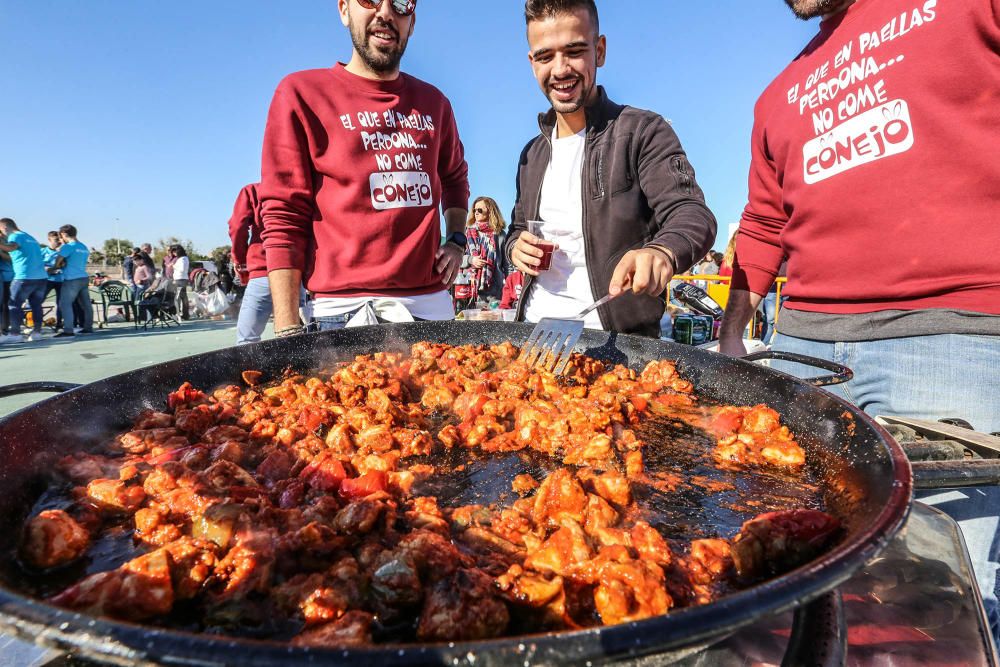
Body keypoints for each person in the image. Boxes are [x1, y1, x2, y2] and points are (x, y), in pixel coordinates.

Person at [717, 0, 1000, 636]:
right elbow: (764, 223)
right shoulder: (779, 92)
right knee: (795, 597)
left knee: (939, 608)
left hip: (950, 339)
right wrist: (732, 336)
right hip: (803, 352)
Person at [505, 0, 717, 337]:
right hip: (531, 334)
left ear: (599, 51)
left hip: (616, 344)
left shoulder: (643, 131)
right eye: (545, 56)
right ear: (532, 63)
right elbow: (515, 229)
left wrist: (661, 251)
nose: (560, 70)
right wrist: (515, 246)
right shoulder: (531, 154)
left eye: (574, 51)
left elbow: (692, 213)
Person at [260, 0, 470, 336]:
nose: (386, 13)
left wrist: (457, 240)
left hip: (431, 311)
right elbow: (284, 212)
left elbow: (455, 177)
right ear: (344, 10)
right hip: (340, 315)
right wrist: (287, 327)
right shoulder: (302, 94)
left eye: (401, 4)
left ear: (411, 22)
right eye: (370, 0)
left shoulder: (435, 103)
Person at [229, 183, 273, 344]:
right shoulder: (302, 188)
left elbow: (237, 226)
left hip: (264, 269)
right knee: (299, 338)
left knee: (247, 339)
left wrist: (240, 260)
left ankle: (251, 369)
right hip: (297, 274)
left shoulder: (253, 190)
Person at [0, 218, 48, 343]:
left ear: (5, 228)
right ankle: (37, 332)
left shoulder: (15, 237)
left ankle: (15, 334)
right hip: (41, 277)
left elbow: (11, 248)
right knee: (36, 305)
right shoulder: (30, 237)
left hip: (24, 277)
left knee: (13, 304)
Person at [52, 225, 93, 338]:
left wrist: (54, 268)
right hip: (83, 278)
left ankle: (68, 330)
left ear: (64, 234)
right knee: (86, 305)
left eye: (61, 236)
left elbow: (58, 260)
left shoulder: (68, 247)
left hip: (71, 279)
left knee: (65, 304)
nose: (61, 239)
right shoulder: (83, 247)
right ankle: (88, 327)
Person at [465, 197, 506, 303]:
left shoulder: (500, 235)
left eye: (480, 210)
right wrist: (471, 260)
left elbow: (507, 266)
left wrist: (508, 289)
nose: (476, 213)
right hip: (468, 292)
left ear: (490, 211)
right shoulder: (466, 233)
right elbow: (456, 258)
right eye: (474, 210)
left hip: (494, 294)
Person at [41, 231, 65, 330]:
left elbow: (65, 263)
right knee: (39, 300)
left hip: (60, 280)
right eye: (56, 240)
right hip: (47, 280)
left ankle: (59, 324)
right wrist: (46, 269)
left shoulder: (62, 251)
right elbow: (36, 264)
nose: (58, 242)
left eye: (59, 240)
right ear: (49, 240)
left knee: (60, 303)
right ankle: (35, 323)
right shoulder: (42, 251)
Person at [169, 245, 191, 321]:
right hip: (181, 279)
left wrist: (173, 266)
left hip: (180, 279)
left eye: (174, 252)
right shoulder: (183, 258)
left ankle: (181, 314)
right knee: (183, 297)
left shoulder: (182, 259)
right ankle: (185, 314)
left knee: (179, 298)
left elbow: (182, 269)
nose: (174, 253)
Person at [0, 243, 13, 337]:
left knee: (5, 305)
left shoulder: (9, 243)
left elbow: (10, 258)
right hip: (5, 278)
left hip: (8, 278)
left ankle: (4, 329)